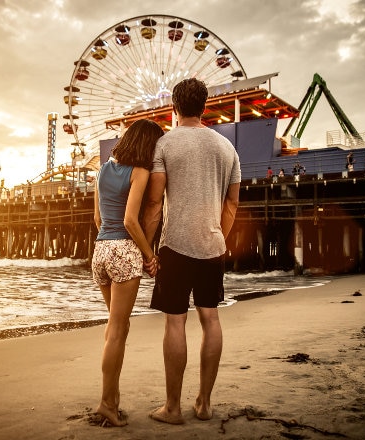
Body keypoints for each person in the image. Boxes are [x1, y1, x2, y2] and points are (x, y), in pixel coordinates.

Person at [142, 78, 241, 424]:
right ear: (204, 106)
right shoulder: (227, 148)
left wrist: (147, 251)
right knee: (210, 318)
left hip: (175, 245)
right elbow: (232, 203)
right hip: (213, 246)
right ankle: (205, 403)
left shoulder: (165, 145)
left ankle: (172, 407)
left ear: (174, 106)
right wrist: (217, 238)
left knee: (175, 322)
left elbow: (154, 203)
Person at [92, 118, 164, 427]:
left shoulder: (102, 170)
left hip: (100, 251)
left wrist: (110, 245)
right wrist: (150, 255)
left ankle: (113, 399)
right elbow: (131, 220)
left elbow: (98, 218)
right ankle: (107, 403)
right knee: (118, 331)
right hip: (124, 251)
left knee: (114, 329)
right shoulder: (140, 172)